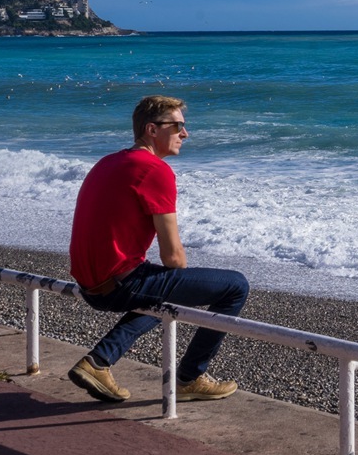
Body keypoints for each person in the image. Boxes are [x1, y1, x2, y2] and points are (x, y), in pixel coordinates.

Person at [66, 95, 249, 403]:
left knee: (162, 287)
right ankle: (191, 377)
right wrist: (185, 287)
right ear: (152, 130)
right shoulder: (155, 171)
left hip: (88, 285)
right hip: (117, 287)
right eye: (177, 126)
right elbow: (173, 257)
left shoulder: (108, 161)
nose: (185, 134)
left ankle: (99, 361)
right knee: (235, 286)